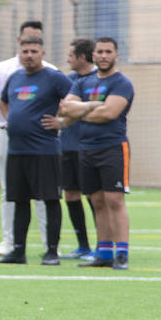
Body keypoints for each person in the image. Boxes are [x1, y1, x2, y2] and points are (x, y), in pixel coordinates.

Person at [0, 33, 71, 265]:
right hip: (17, 150)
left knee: (50, 200)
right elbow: (3, 101)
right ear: (19, 53)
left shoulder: (54, 78)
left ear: (42, 54)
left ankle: (51, 251)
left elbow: (76, 99)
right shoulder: (15, 78)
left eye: (33, 51)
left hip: (45, 150)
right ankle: (18, 251)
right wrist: (12, 120)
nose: (29, 56)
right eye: (25, 51)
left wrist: (63, 122)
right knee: (19, 200)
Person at [59, 36, 135, 270]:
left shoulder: (121, 83)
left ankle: (121, 253)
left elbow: (109, 114)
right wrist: (94, 106)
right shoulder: (83, 83)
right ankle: (104, 253)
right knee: (97, 200)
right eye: (100, 52)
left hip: (112, 147)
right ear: (93, 55)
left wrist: (82, 111)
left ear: (116, 55)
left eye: (108, 52)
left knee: (114, 199)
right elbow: (65, 108)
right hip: (86, 148)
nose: (103, 55)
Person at [0, 20, 53, 256]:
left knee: (45, 192)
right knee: (10, 190)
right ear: (18, 42)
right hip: (7, 136)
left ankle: (49, 245)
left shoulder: (52, 72)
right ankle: (9, 242)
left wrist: (59, 121)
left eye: (36, 42)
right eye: (26, 42)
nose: (30, 50)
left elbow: (67, 99)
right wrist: (13, 119)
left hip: (42, 140)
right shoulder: (5, 70)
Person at [44, 38, 96, 260]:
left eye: (70, 55)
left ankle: (104, 245)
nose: (67, 59)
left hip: (90, 146)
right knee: (71, 195)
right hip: (67, 147)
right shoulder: (69, 80)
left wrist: (68, 117)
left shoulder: (99, 80)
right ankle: (83, 246)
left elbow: (89, 110)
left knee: (95, 196)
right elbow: (64, 108)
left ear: (82, 57)